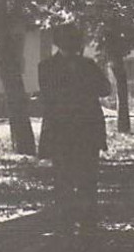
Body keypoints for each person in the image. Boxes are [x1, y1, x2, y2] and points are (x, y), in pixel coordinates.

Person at [38, 24, 112, 231]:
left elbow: (105, 89)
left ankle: (79, 223)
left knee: (77, 179)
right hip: (73, 131)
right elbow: (104, 89)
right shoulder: (80, 66)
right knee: (74, 179)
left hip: (75, 131)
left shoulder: (51, 66)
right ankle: (74, 223)